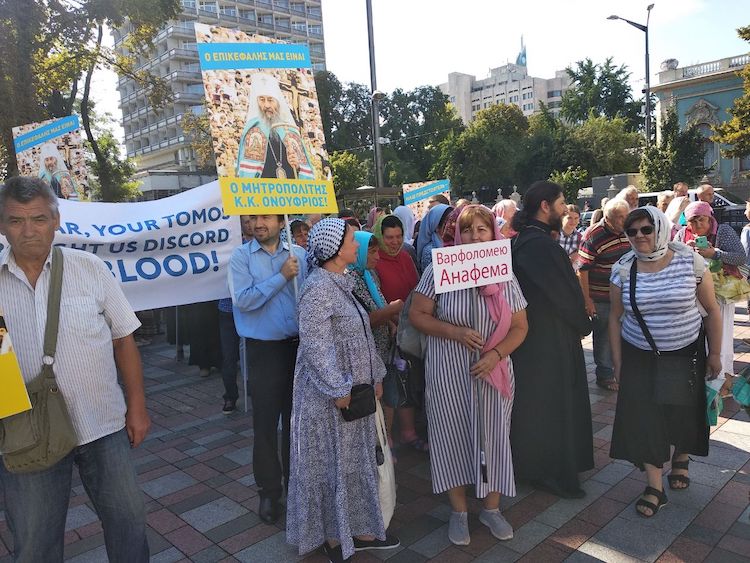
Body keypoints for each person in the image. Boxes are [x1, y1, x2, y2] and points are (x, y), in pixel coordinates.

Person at [0, 176, 150, 562]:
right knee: (34, 542)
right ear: (2, 224)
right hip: (25, 433)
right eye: (16, 220)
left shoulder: (89, 268)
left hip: (102, 426)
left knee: (129, 523)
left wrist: (137, 407)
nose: (28, 230)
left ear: (56, 220)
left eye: (38, 218)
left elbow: (123, 339)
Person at [410, 205, 528, 545]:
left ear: (493, 232)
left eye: (482, 229)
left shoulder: (504, 273)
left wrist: (495, 354)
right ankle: (458, 510)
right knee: (452, 436)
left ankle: (491, 508)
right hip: (448, 369)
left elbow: (521, 327)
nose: (475, 237)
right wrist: (455, 332)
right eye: (467, 230)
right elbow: (418, 315)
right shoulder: (438, 269)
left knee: (493, 436)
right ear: (456, 235)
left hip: (494, 370)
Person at [286, 219, 399, 563]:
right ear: (334, 250)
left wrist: (376, 373)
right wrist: (338, 388)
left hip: (354, 395)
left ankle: (361, 531)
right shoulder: (318, 288)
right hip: (331, 402)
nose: (357, 242)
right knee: (332, 467)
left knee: (353, 464)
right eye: (351, 238)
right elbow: (316, 346)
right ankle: (335, 539)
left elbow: (361, 335)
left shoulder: (342, 282)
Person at [608, 207, 722, 517]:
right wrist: (617, 363)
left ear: (660, 228)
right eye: (632, 232)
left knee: (680, 412)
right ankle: (654, 485)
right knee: (646, 419)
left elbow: (712, 310)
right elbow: (615, 319)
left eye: (646, 229)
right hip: (640, 355)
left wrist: (714, 353)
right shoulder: (622, 269)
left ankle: (681, 457)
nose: (639, 236)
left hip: (685, 352)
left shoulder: (690, 260)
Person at [510, 181, 594, 498]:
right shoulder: (537, 245)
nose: (564, 208)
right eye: (560, 203)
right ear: (545, 206)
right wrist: (583, 324)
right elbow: (563, 295)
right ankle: (550, 470)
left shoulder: (531, 241)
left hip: (539, 337)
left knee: (540, 404)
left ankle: (540, 466)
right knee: (551, 405)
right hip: (548, 340)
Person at [229, 214, 308, 524]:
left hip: (298, 348)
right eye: (252, 219)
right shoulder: (240, 257)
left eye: (264, 218)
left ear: (279, 221)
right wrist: (281, 277)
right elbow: (244, 301)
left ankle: (296, 490)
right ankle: (269, 493)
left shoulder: (298, 254)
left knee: (296, 425)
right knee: (265, 426)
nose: (257, 224)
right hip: (264, 352)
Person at [675, 202, 746, 378]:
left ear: (710, 218)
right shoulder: (682, 234)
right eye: (693, 221)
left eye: (702, 220)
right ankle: (701, 375)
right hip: (692, 294)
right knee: (696, 334)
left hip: (721, 293)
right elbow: (671, 258)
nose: (698, 225)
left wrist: (715, 253)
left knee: (721, 336)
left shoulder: (723, 231)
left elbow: (740, 257)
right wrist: (685, 250)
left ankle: (722, 377)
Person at [373, 215, 425, 452]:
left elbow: (417, 289)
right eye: (389, 238)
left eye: (398, 237)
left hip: (411, 329)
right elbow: (376, 300)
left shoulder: (405, 257)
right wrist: (395, 318)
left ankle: (408, 432)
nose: (394, 243)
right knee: (392, 383)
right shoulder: (374, 262)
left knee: (408, 380)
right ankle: (390, 438)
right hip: (390, 332)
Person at [578, 199, 631, 391]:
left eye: (626, 215)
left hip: (627, 294)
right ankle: (605, 375)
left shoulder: (630, 230)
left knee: (627, 333)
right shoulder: (593, 235)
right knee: (604, 336)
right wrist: (587, 300)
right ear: (607, 218)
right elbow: (582, 270)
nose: (624, 220)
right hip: (601, 296)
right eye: (619, 217)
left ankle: (623, 370)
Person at [236, 73, 314, 180]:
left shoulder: (290, 131)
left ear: (278, 102)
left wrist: (298, 167)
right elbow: (247, 174)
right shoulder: (253, 129)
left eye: (270, 100)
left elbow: (306, 175)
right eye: (262, 100)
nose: (266, 105)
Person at [217, 215, 256, 414]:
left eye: (252, 220)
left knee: (252, 352)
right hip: (228, 309)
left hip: (251, 308)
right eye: (245, 221)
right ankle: (230, 396)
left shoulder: (261, 246)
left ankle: (253, 387)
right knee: (229, 355)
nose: (250, 225)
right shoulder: (229, 246)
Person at [416, 203, 452, 272]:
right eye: (447, 223)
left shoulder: (458, 243)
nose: (452, 226)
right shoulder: (429, 251)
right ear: (436, 227)